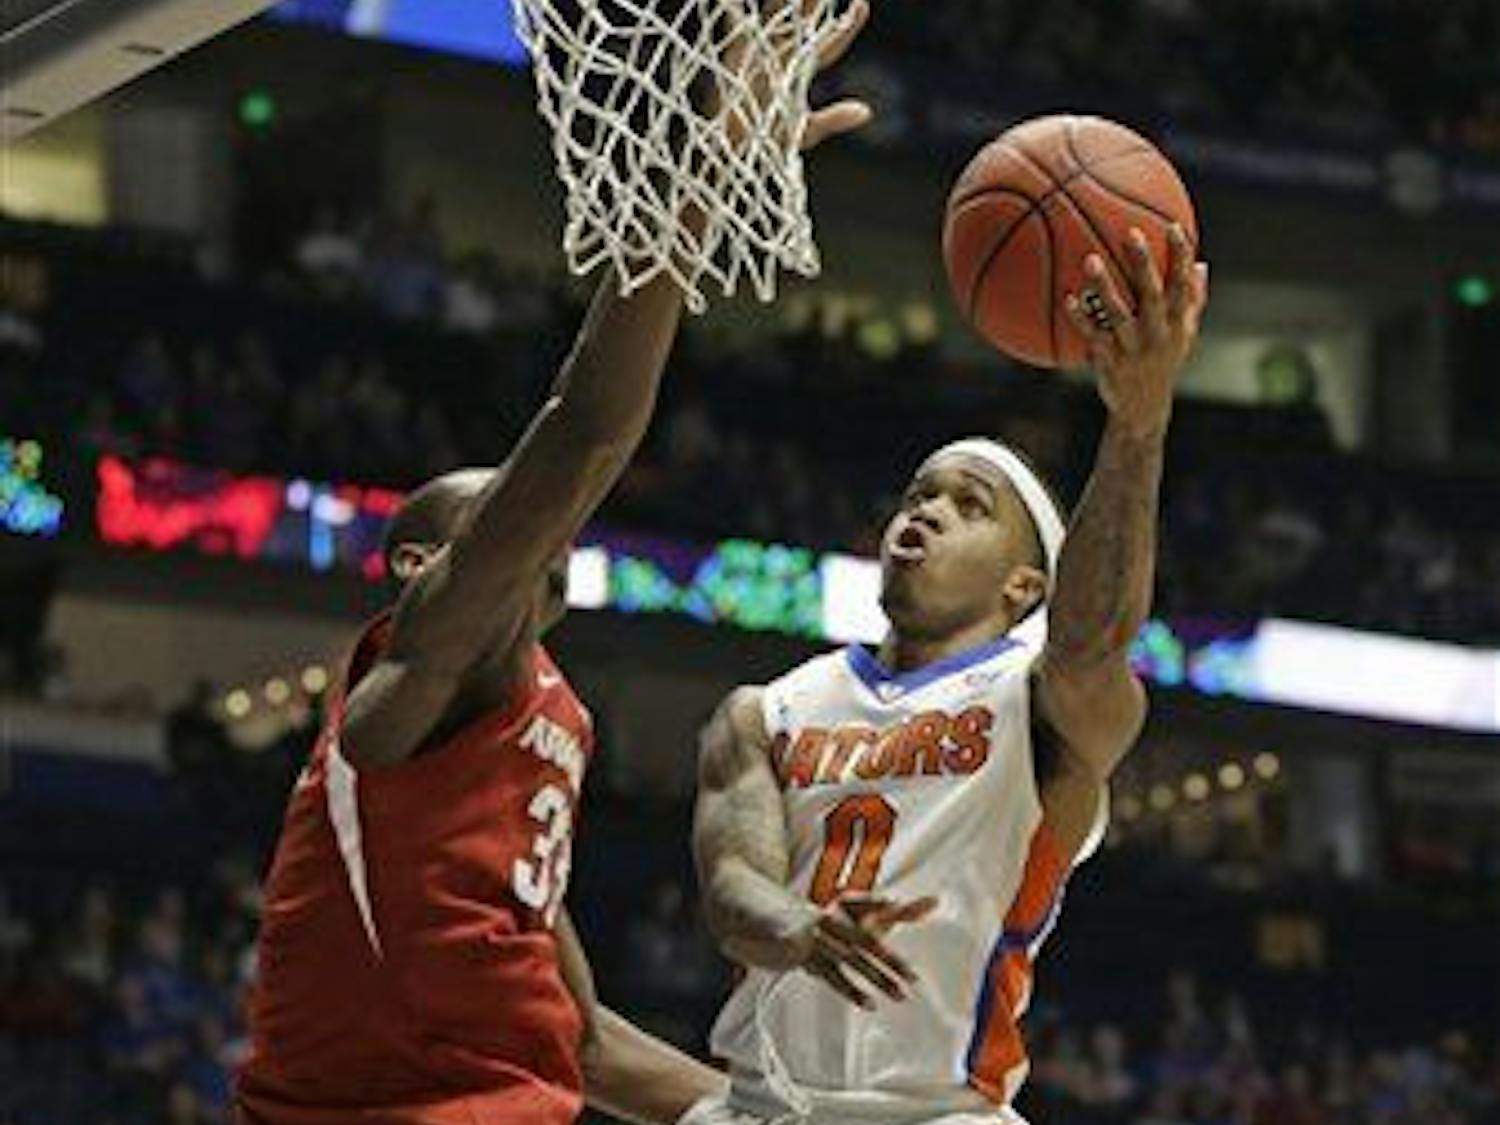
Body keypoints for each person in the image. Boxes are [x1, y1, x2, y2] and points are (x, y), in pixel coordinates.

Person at [235, 6, 876, 1122]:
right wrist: (699, 177)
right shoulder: (418, 667)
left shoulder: (551, 723)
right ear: (420, 564)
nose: (533, 524)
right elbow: (584, 433)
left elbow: (576, 1039)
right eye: (494, 514)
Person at [690, 228, 1210, 1124]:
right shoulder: (766, 711)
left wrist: (1137, 424)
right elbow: (734, 888)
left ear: (1025, 585)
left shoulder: (1039, 705)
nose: (926, 512)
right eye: (919, 495)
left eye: (969, 506)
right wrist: (800, 927)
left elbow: (1091, 643)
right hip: (760, 1104)